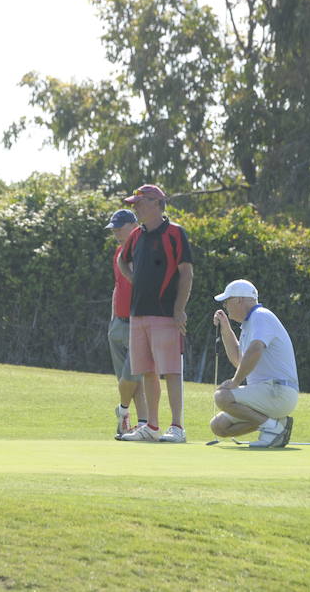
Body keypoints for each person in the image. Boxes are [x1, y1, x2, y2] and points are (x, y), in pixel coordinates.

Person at [116, 185, 193, 443]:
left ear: (155, 203)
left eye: (139, 203)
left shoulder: (175, 234)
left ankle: (177, 427)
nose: (135, 207)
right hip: (138, 314)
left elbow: (186, 273)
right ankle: (152, 426)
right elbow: (122, 261)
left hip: (166, 314)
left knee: (171, 370)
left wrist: (179, 309)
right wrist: (134, 279)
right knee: (147, 370)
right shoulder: (136, 235)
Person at [211, 279, 297, 448]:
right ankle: (276, 425)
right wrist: (226, 329)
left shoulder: (261, 316)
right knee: (218, 426)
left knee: (222, 397)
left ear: (239, 300)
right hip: (266, 393)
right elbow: (238, 359)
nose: (226, 306)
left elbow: (256, 349)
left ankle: (273, 429)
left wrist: (235, 383)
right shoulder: (249, 325)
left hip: (278, 391)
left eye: (228, 301)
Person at [104, 209, 148, 437]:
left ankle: (122, 412)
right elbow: (118, 287)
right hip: (118, 324)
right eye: (113, 229)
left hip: (138, 323)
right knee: (130, 381)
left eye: (119, 228)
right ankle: (141, 424)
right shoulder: (119, 252)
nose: (116, 233)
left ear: (133, 225)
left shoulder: (142, 250)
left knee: (130, 377)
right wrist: (113, 320)